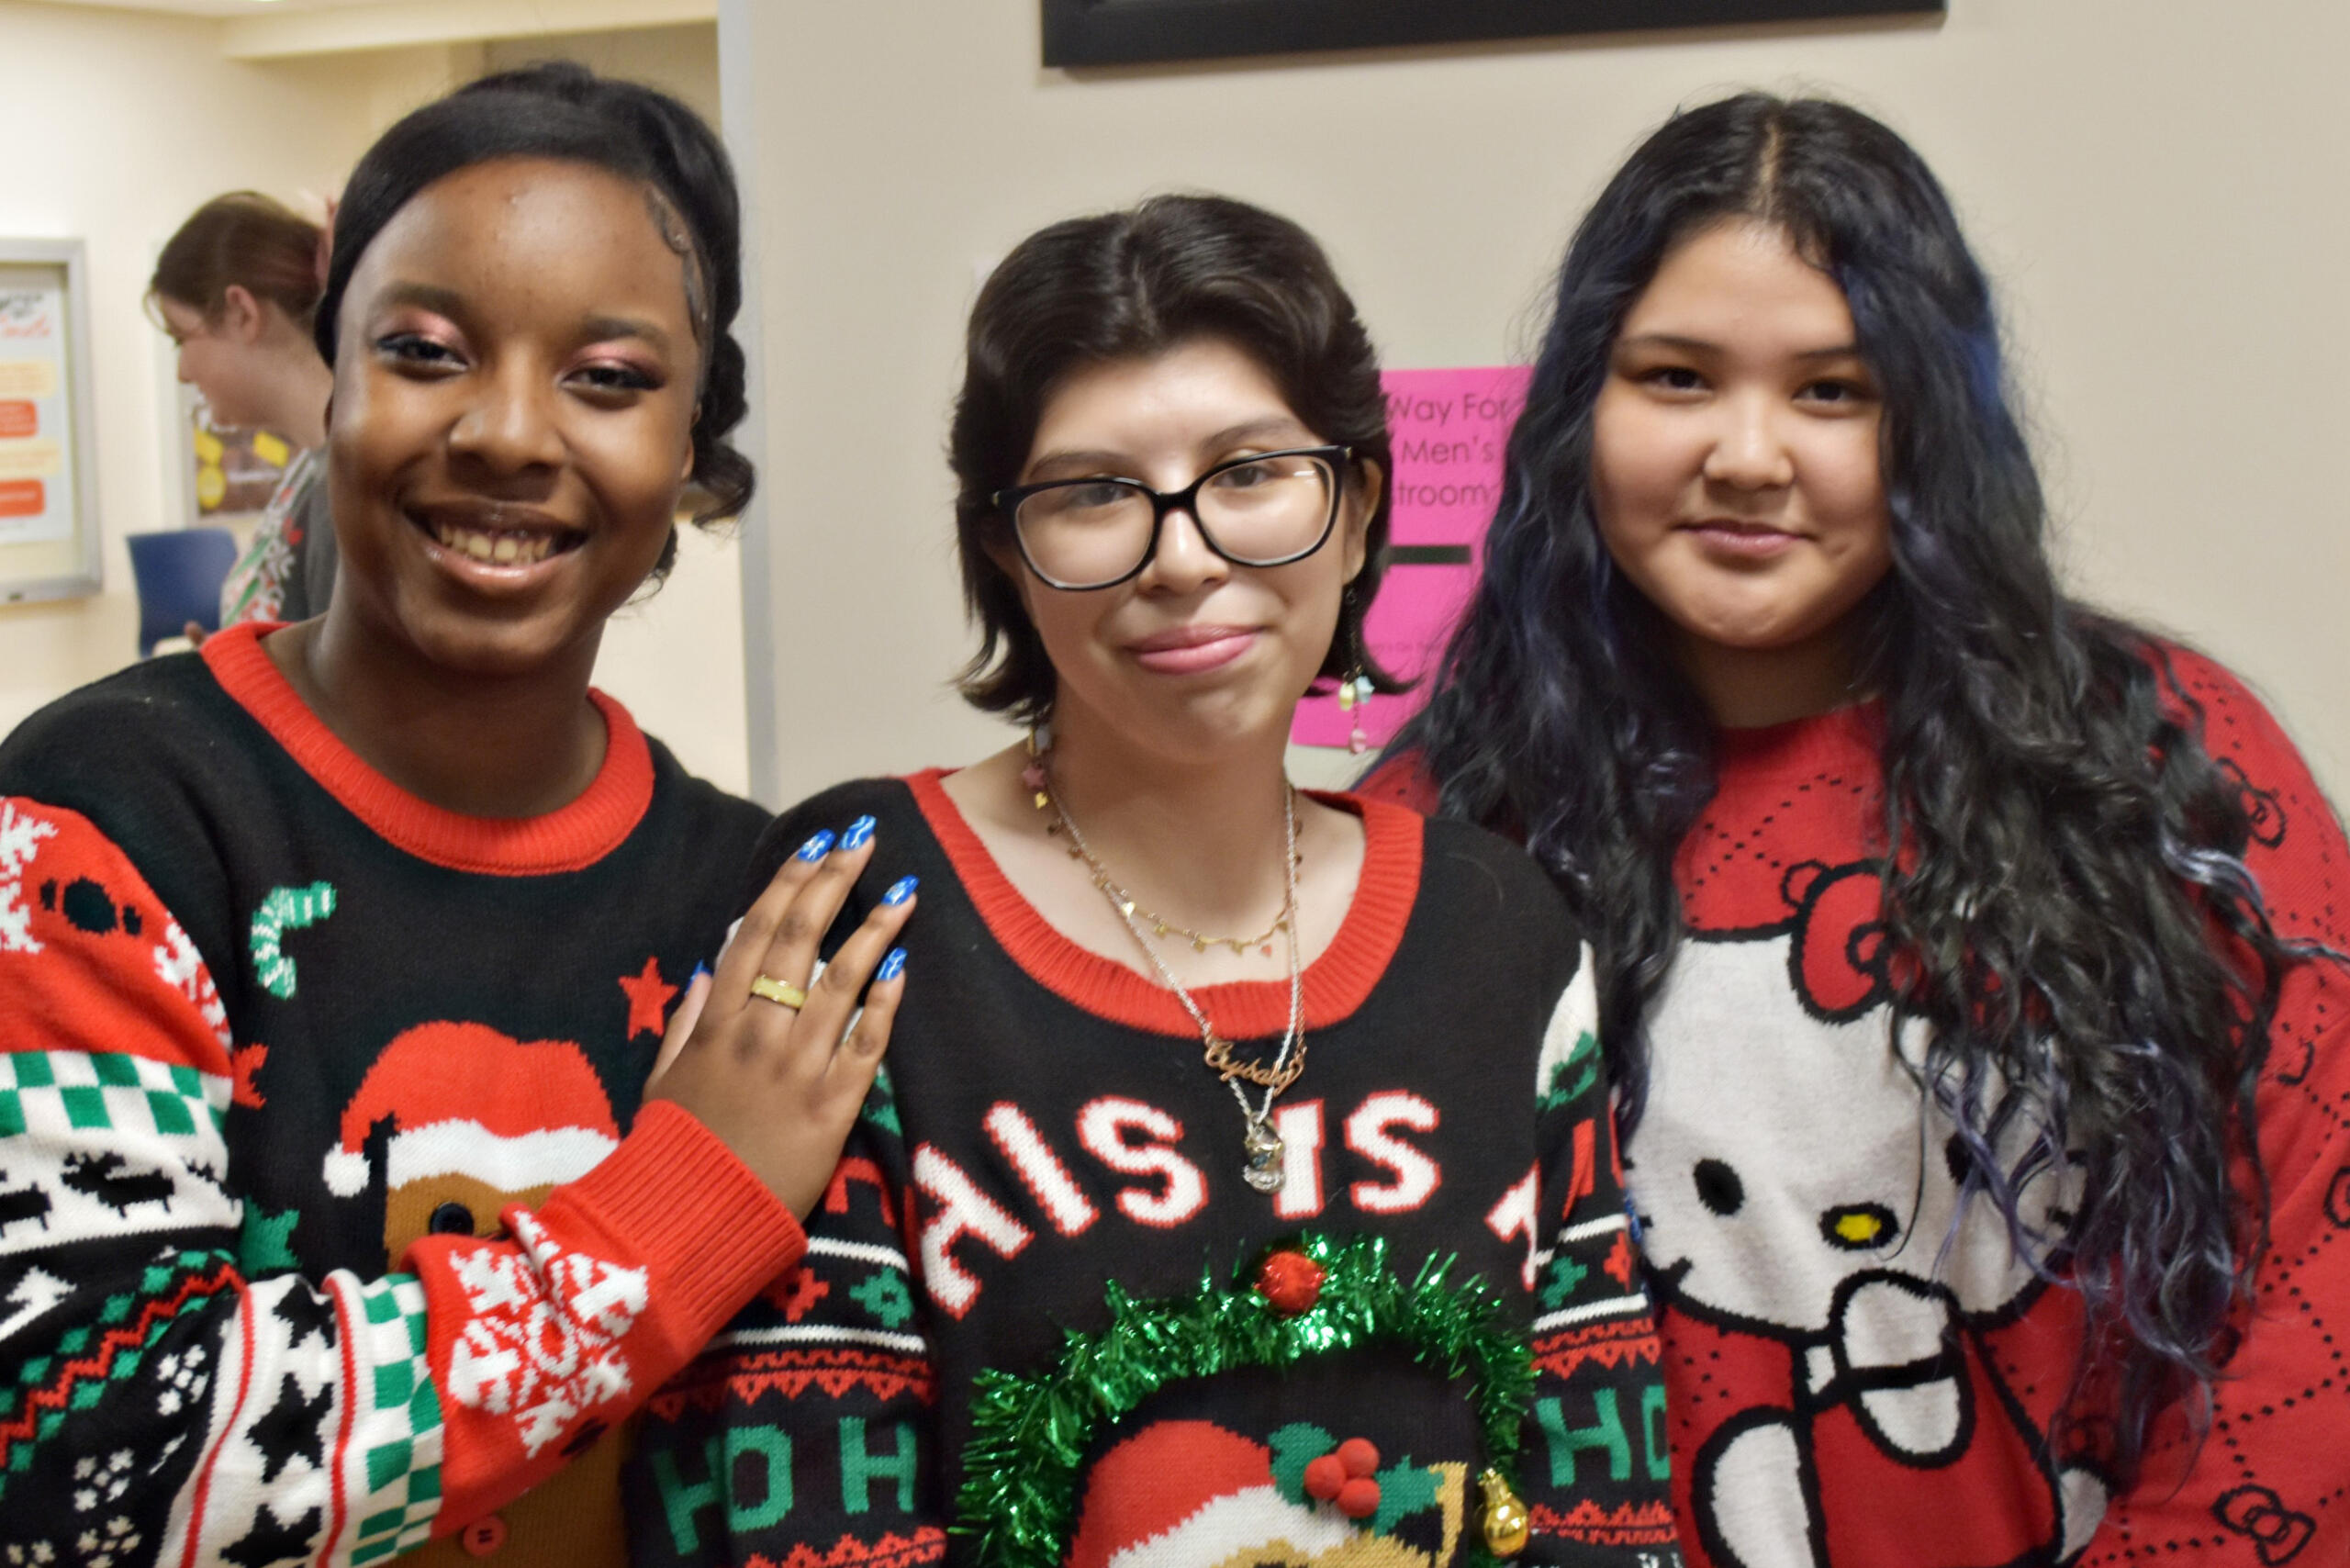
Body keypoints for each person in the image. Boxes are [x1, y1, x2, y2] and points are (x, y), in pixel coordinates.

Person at [625, 195, 1680, 1568]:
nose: (1183, 559)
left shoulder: (1500, 930)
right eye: (1092, 495)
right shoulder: (863, 902)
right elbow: (780, 1500)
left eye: (1251, 474)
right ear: (1004, 549)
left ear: (1357, 509)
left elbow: (1601, 1488)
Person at [1375, 93, 2350, 1568]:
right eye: (1678, 377)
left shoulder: (2167, 764)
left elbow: (2317, 1294)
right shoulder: (1442, 832)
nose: (1749, 455)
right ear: (1583, 408)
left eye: (1833, 391)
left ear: (1931, 424)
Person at [0, 64, 916, 1568]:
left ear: (691, 447)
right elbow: (91, 1464)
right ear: (332, 383)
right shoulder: (107, 821)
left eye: (608, 377)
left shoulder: (756, 901)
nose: (505, 430)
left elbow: (824, 1475)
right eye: (425, 351)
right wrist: (687, 1202)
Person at [151, 191, 341, 627]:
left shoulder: (344, 481)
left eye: (182, 339)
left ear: (241, 313)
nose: (182, 371)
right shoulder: (311, 468)